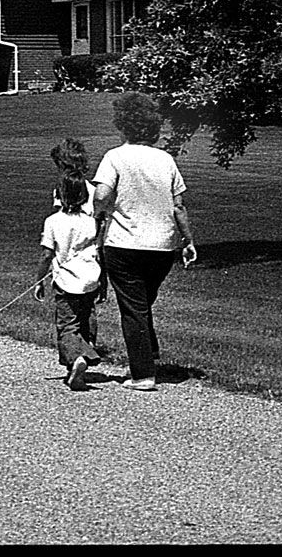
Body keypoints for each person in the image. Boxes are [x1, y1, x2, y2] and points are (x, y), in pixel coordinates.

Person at [92, 92, 198, 392]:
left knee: (133, 308)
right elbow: (178, 206)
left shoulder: (114, 157)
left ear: (122, 125)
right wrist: (188, 240)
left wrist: (100, 216)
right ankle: (149, 353)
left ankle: (142, 374)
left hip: (124, 243)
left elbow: (101, 196)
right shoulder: (166, 160)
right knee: (143, 301)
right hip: (163, 245)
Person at [34, 172, 104, 390]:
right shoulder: (93, 222)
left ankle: (77, 358)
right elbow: (100, 253)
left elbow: (47, 254)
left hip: (66, 280)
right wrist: (105, 283)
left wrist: (39, 281)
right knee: (87, 316)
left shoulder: (53, 221)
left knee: (67, 324)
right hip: (91, 277)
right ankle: (86, 349)